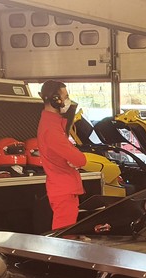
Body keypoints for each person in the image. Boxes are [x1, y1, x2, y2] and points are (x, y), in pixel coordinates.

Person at [37, 79, 87, 229]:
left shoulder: (52, 123)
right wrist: (75, 158)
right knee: (64, 234)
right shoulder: (52, 130)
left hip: (62, 188)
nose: (68, 101)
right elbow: (80, 159)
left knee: (65, 232)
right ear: (55, 99)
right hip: (64, 189)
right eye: (66, 97)